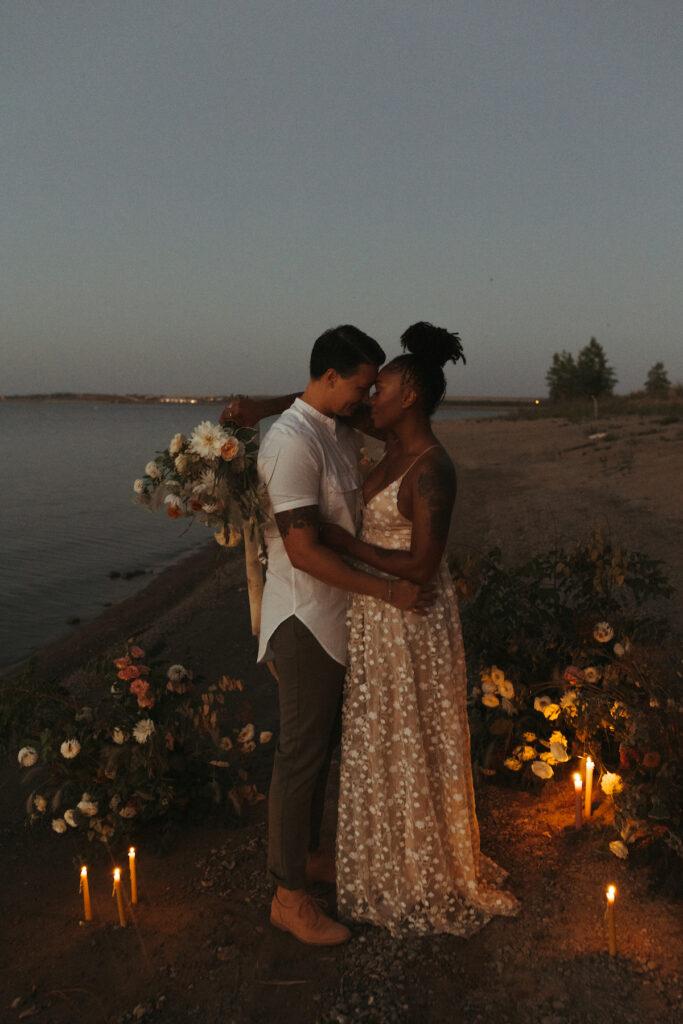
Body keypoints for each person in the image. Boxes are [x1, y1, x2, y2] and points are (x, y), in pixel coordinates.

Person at [223, 325, 435, 946]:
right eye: (362, 386)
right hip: (305, 618)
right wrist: (390, 591)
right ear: (333, 376)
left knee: (319, 750)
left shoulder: (332, 428)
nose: (368, 399)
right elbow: (304, 551)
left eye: (374, 388)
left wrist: (261, 405)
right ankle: (288, 898)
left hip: (338, 617)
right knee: (300, 756)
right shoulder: (292, 444)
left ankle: (309, 859)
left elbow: (357, 424)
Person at [321, 322, 520, 935]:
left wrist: (344, 542)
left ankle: (422, 869)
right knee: (381, 737)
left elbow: (423, 565)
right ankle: (384, 860)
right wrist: (260, 407)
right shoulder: (388, 450)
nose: (368, 398)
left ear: (409, 395)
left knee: (412, 736)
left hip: (410, 616)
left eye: (379, 389)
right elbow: (320, 404)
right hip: (378, 616)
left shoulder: (433, 469)